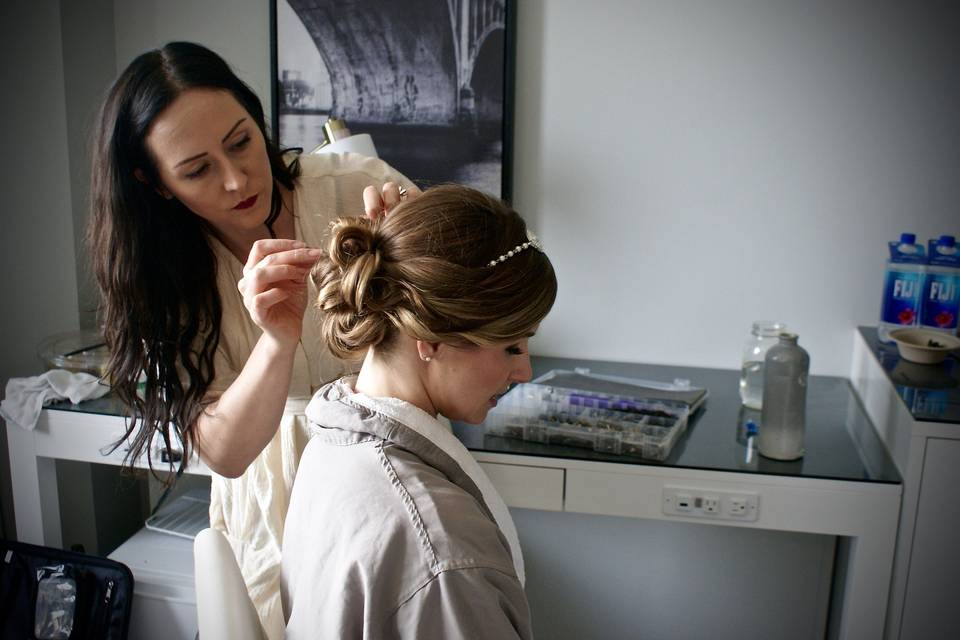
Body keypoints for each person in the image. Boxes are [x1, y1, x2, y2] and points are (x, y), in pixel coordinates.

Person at [87, 41, 416, 638]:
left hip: (398, 481)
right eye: (196, 170)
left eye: (241, 141)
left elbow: (461, 320)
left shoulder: (355, 188)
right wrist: (276, 339)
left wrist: (425, 253)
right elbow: (227, 453)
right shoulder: (163, 276)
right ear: (155, 183)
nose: (237, 179)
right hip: (276, 511)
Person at [281, 185, 557, 638]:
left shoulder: (334, 435)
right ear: (429, 339)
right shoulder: (445, 555)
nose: (525, 371)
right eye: (512, 346)